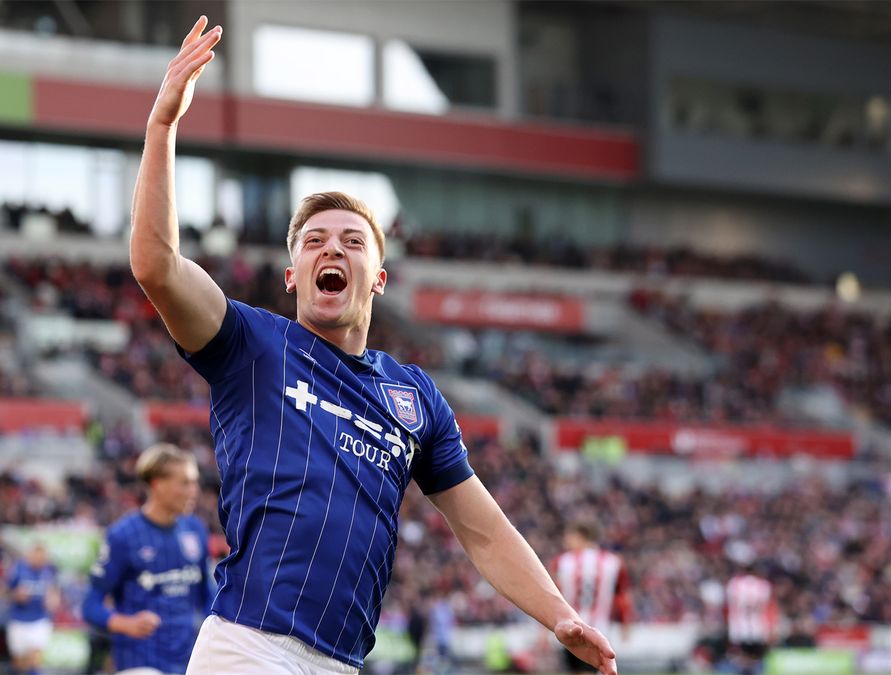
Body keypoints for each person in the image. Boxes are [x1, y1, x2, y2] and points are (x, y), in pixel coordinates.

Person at [128, 16, 618, 675]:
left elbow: (483, 529)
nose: (332, 246)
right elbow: (157, 265)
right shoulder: (250, 344)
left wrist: (559, 612)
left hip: (343, 663)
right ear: (292, 275)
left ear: (378, 278)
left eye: (352, 240)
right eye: (314, 240)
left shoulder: (413, 396)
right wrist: (162, 126)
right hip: (248, 646)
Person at [82, 443, 214, 674]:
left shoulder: (195, 529)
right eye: (185, 483)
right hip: (140, 661)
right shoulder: (122, 535)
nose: (194, 491)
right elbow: (90, 605)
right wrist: (125, 624)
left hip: (189, 661)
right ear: (157, 484)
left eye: (195, 482)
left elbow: (207, 594)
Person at [550, 522, 633, 673]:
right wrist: (625, 624)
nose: (566, 540)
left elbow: (554, 594)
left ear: (582, 537)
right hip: (599, 628)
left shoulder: (562, 561)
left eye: (570, 536)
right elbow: (621, 597)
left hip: (569, 625)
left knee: (574, 670)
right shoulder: (613, 562)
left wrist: (545, 626)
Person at [6, 542, 60, 675]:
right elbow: (3, 592)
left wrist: (53, 600)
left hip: (39, 619)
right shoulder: (18, 569)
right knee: (19, 662)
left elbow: (55, 593)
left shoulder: (49, 571)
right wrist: (15, 595)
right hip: (19, 619)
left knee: (34, 659)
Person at [724, 565, 776, 675]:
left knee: (741, 653)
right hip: (757, 625)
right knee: (755, 654)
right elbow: (765, 604)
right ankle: (752, 670)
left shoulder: (734, 583)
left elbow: (729, 602)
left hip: (739, 626)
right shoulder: (763, 584)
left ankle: (745, 670)